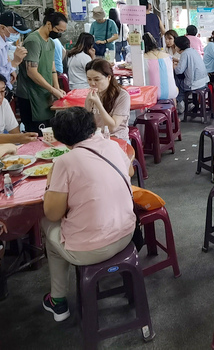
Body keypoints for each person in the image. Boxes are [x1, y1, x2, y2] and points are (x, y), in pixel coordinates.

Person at [41, 107, 136, 322]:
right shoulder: (111, 145)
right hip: (127, 234)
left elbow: (53, 213)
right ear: (92, 126)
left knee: (47, 225)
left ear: (60, 138)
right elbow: (129, 171)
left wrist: (50, 184)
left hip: (91, 249)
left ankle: (58, 301)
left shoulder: (64, 162)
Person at [15, 9, 68, 133]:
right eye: (59, 30)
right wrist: (52, 89)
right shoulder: (34, 41)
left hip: (44, 94)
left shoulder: (51, 42)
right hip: (31, 95)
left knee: (49, 132)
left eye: (62, 31)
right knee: (36, 134)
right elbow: (31, 72)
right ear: (49, 24)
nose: (60, 34)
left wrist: (56, 87)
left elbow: (52, 68)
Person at [0, 11, 31, 97]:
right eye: (15, 31)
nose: (17, 35)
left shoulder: (3, 41)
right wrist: (15, 62)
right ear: (3, 28)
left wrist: (11, 70)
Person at [84, 58, 131, 142]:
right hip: (97, 138)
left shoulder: (122, 96)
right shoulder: (92, 95)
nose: (92, 83)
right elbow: (86, 123)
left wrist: (98, 104)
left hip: (117, 138)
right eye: (89, 79)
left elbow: (112, 127)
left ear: (108, 77)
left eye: (97, 79)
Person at [173, 36, 209, 109]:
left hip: (194, 84)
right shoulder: (193, 51)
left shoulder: (184, 54)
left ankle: (180, 103)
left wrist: (172, 66)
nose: (175, 48)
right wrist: (178, 61)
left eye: (175, 46)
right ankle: (190, 103)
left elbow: (179, 71)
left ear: (179, 47)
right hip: (204, 82)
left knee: (176, 81)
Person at [142, 33, 179, 102]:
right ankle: (174, 110)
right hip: (172, 93)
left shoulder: (143, 59)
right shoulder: (168, 56)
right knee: (172, 90)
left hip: (152, 95)